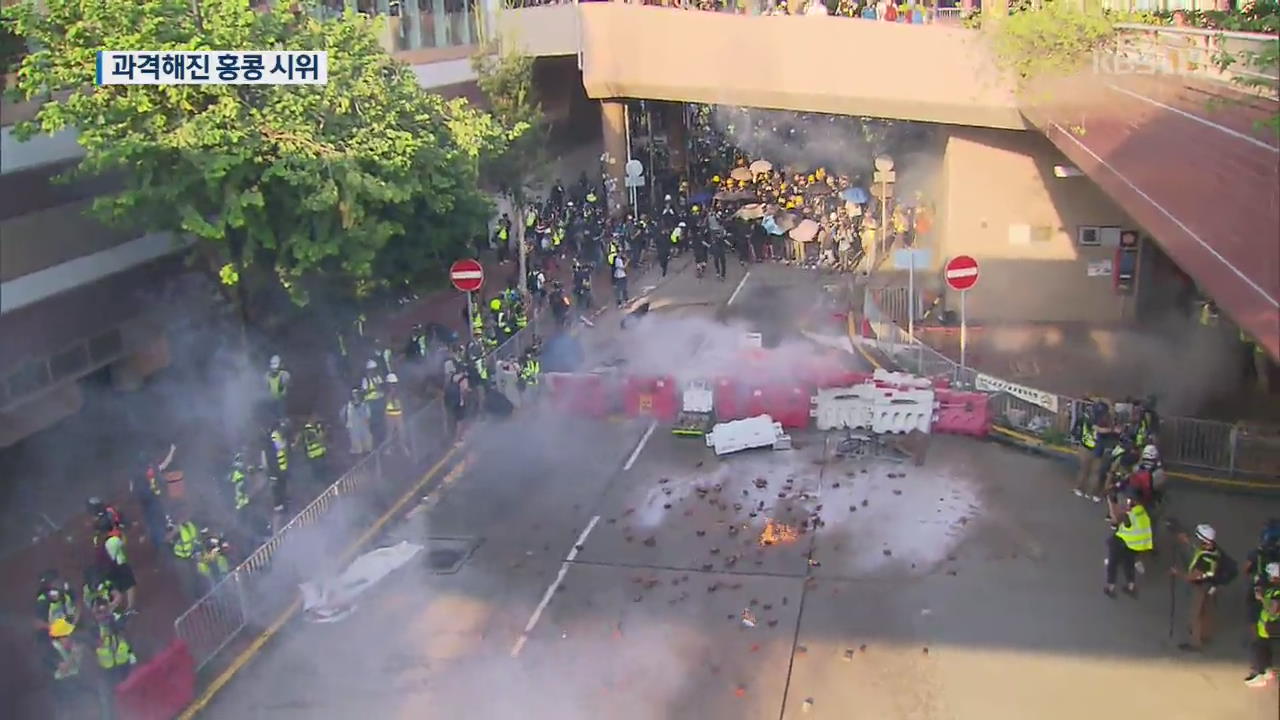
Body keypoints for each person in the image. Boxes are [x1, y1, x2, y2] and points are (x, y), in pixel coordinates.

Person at [1171, 524, 1220, 651]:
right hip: (1211, 586)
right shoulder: (1213, 549)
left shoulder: (1205, 559)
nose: (1196, 539)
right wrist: (1187, 541)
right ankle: (1206, 635)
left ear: (1204, 540)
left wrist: (1177, 573)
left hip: (1201, 587)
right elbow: (1196, 548)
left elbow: (1191, 577)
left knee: (1195, 615)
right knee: (1206, 612)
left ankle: (1195, 643)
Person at [1104, 488, 1153, 597]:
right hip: (1137, 545)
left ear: (1134, 500)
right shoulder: (1141, 511)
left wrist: (1110, 502)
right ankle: (1131, 586)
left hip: (1124, 542)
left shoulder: (1129, 514)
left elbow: (1115, 519)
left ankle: (1110, 587)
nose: (1127, 500)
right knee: (1128, 563)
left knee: (1112, 563)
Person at [1246, 562, 1280, 687]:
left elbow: (1274, 609)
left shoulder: (1277, 591)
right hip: (1268, 629)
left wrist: (1262, 599)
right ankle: (1266, 672)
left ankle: (1260, 675)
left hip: (1272, 628)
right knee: (1263, 649)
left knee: (1258, 649)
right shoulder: (1272, 589)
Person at [91, 597, 137, 688]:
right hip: (106, 669)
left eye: (104, 611)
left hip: (124, 663)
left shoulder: (117, 621)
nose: (102, 616)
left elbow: (126, 619)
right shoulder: (93, 629)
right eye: (99, 612)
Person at [95, 515, 136, 611]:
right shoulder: (114, 540)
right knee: (130, 586)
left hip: (108, 569)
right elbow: (123, 546)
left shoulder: (100, 540)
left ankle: (109, 609)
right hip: (120, 566)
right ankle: (130, 608)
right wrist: (123, 535)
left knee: (117, 591)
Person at [165, 511, 203, 601]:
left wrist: (198, 553)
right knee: (187, 580)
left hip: (191, 556)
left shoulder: (191, 526)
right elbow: (167, 538)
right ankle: (191, 601)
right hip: (180, 559)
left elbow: (196, 540)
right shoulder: (176, 528)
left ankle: (198, 596)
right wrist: (176, 529)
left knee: (196, 576)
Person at [342, 387, 374, 456]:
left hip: (364, 429)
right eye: (354, 393)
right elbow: (343, 418)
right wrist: (348, 427)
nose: (355, 395)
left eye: (357, 393)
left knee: (367, 449)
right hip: (353, 431)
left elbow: (368, 417)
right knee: (357, 451)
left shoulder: (365, 405)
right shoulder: (347, 406)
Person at [300, 416, 331, 484]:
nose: (316, 419)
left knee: (322, 471)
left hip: (320, 453)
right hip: (315, 455)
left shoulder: (315, 427)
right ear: (310, 420)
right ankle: (320, 484)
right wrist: (323, 434)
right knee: (319, 472)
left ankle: (322, 482)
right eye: (314, 418)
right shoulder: (308, 431)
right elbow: (315, 440)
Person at [362, 359, 387, 442]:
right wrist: (373, 389)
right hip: (371, 404)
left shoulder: (378, 377)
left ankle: (383, 437)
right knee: (374, 422)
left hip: (379, 402)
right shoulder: (366, 380)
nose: (373, 371)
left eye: (375, 369)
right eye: (372, 370)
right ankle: (376, 438)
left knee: (382, 420)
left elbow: (381, 387)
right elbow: (365, 391)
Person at [384, 373, 409, 456]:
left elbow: (402, 402)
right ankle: (388, 448)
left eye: (394, 384)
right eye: (391, 384)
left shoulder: (398, 393)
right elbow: (387, 403)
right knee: (390, 433)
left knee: (401, 432)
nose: (393, 386)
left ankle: (403, 447)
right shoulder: (387, 394)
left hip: (398, 414)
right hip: (390, 415)